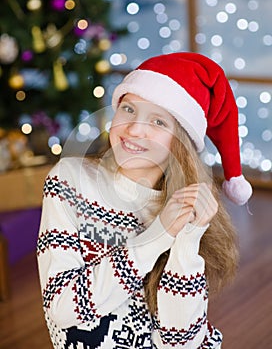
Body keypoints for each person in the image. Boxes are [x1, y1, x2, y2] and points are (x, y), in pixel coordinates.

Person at [37, 52, 252, 349]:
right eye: (128, 109)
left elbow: (181, 342)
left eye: (158, 122)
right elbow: (62, 308)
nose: (135, 129)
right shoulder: (71, 180)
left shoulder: (186, 207)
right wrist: (157, 235)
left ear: (180, 142)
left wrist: (187, 238)